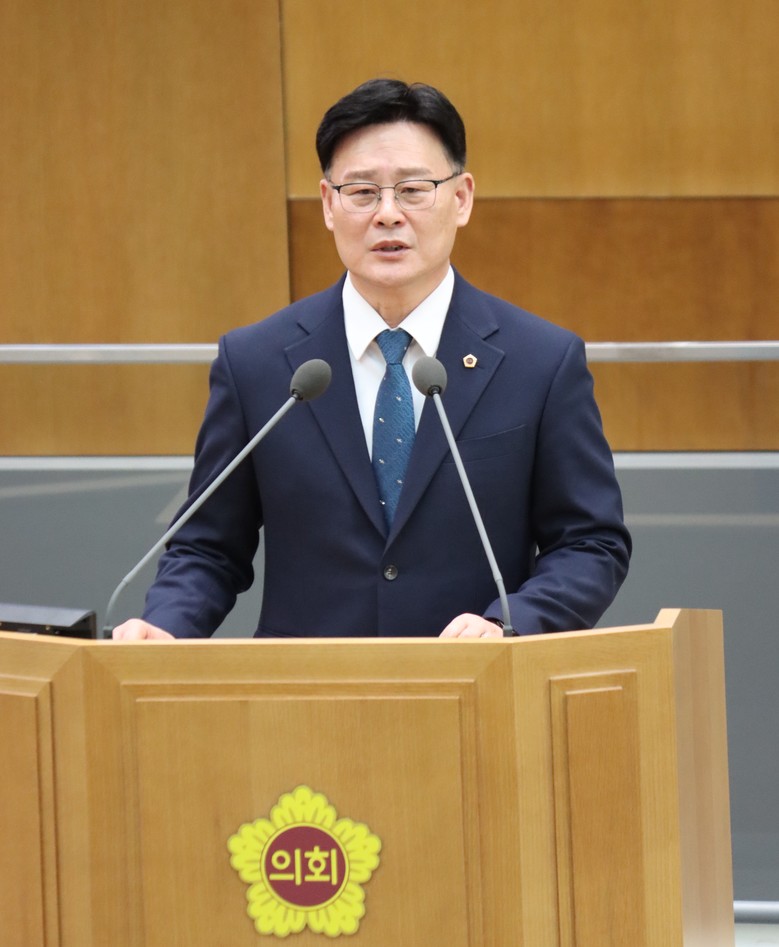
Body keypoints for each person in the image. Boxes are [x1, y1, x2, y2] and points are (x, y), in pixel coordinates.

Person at [112, 78, 630, 642]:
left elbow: (590, 543)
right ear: (328, 204)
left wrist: (509, 624)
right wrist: (165, 626)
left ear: (461, 199)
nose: (387, 215)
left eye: (413, 190)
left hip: (477, 683)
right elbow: (207, 547)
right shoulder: (257, 362)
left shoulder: (540, 362)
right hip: (305, 689)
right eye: (361, 192)